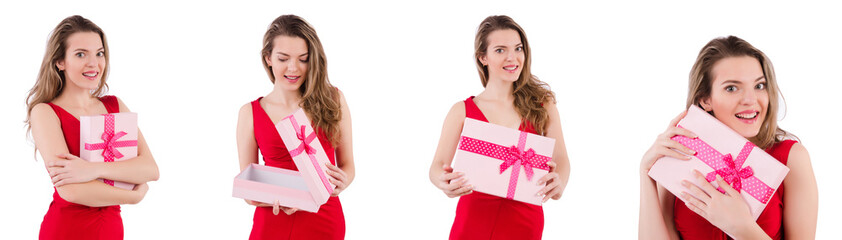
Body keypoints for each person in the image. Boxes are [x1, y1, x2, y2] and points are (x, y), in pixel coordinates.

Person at [638, 36, 818, 239]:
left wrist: (743, 228)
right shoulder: (682, 155)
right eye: (732, 88)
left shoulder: (792, 157)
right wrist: (646, 174)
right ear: (705, 100)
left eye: (759, 86)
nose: (751, 100)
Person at [428, 15, 571, 240]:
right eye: (500, 50)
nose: (512, 58)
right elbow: (437, 166)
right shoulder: (462, 111)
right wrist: (443, 181)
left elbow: (561, 158)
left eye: (518, 48)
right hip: (473, 220)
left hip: (526, 221)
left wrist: (559, 180)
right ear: (482, 57)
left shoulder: (543, 104)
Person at [26, 15, 160, 240]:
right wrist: (132, 197)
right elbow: (71, 191)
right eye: (80, 54)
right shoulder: (45, 112)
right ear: (60, 61)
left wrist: (92, 170)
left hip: (111, 229)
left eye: (99, 53)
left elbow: (150, 169)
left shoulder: (115, 106)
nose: (93, 63)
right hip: (66, 230)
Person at [235, 14, 354, 240]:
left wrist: (342, 181)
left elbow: (348, 166)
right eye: (283, 59)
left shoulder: (333, 99)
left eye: (303, 58)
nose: (294, 68)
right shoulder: (249, 113)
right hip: (272, 220)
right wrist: (272, 196)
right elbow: (248, 188)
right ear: (268, 58)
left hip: (324, 218)